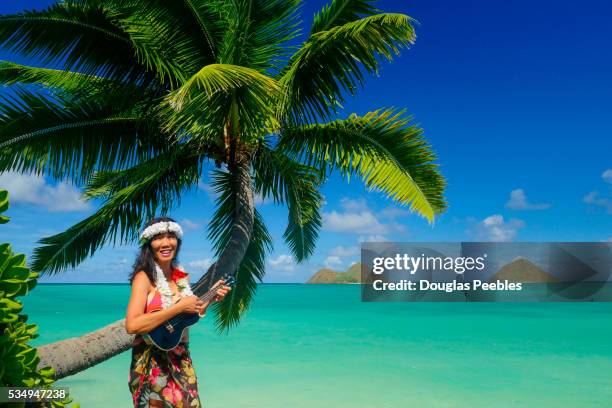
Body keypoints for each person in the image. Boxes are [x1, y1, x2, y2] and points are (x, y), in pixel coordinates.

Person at [125, 217, 230, 407]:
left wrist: (210, 298)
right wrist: (179, 307)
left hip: (181, 358)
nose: (165, 243)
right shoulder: (144, 277)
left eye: (170, 236)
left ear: (178, 242)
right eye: (158, 238)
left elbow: (185, 319)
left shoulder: (180, 276)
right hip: (152, 363)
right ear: (149, 244)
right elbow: (132, 325)